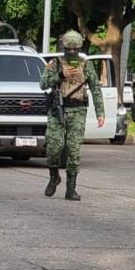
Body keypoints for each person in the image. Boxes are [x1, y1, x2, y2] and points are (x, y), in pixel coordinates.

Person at [40, 30, 105, 201]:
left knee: (74, 151)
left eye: (75, 49)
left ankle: (71, 189)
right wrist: (60, 76)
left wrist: (100, 113)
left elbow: (96, 90)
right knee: (54, 147)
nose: (72, 53)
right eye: (68, 49)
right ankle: (54, 175)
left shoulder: (86, 65)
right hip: (58, 111)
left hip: (78, 111)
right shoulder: (55, 64)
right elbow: (42, 84)